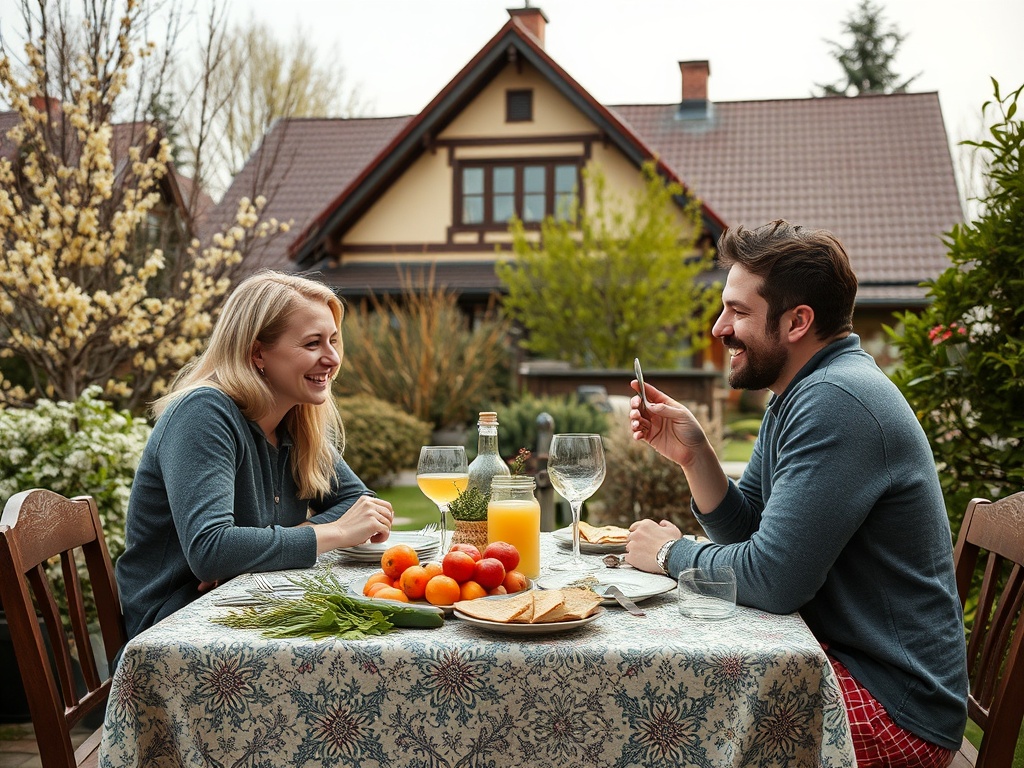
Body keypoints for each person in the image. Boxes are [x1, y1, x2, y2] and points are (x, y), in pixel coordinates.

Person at [626, 220, 967, 766]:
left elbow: (773, 579)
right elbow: (753, 532)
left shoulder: (835, 401)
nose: (718, 328)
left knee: (670, 729)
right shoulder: (800, 393)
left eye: (738, 312)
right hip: (852, 667)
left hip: (895, 708)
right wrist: (696, 457)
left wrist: (669, 555)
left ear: (797, 322)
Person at [116, 270, 395, 639]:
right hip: (177, 630)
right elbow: (212, 550)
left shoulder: (295, 418)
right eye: (313, 344)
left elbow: (363, 504)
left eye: (333, 341)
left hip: (252, 611)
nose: (332, 358)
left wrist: (277, 542)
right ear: (258, 352)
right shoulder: (202, 413)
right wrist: (336, 531)